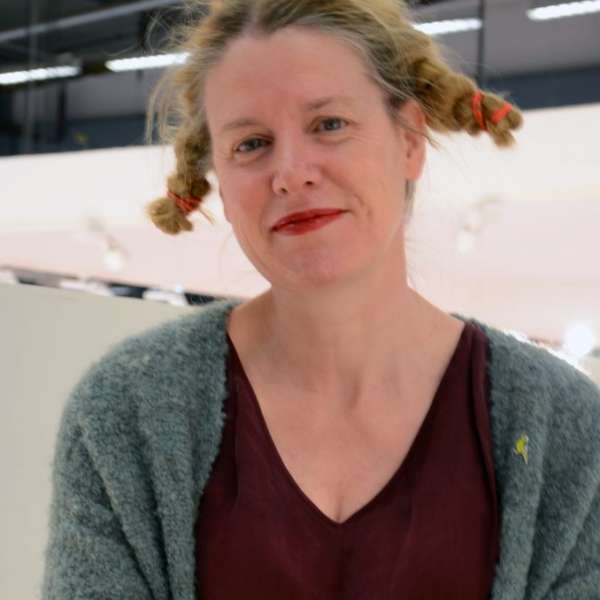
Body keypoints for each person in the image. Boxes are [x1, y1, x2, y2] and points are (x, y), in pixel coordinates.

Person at [41, 1, 600, 599]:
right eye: (252, 143)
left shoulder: (560, 425)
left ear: (409, 140)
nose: (291, 172)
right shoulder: (130, 411)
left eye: (329, 124)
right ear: (220, 184)